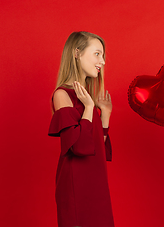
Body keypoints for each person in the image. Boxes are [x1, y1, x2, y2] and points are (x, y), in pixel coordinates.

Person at [48, 31, 115, 227]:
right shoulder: (62, 94)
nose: (102, 61)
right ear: (77, 53)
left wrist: (106, 114)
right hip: (76, 186)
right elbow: (78, 147)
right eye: (97, 54)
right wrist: (88, 107)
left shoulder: (87, 98)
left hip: (96, 182)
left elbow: (96, 147)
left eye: (102, 56)